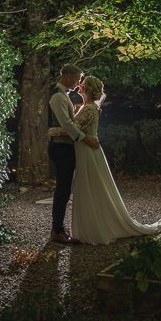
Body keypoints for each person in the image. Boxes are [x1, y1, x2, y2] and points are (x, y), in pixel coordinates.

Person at [70, 76, 161, 245]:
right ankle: (92, 225)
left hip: (88, 151)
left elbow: (72, 129)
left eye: (83, 84)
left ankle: (94, 228)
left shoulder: (89, 109)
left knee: (90, 187)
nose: (79, 85)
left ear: (88, 89)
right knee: (90, 187)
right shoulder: (87, 106)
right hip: (87, 150)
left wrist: (52, 131)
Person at [47, 64, 99, 244]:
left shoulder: (63, 96)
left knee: (65, 188)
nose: (78, 84)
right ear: (68, 76)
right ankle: (57, 230)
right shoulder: (57, 96)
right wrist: (85, 138)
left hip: (65, 147)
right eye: (77, 78)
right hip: (60, 148)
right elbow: (67, 124)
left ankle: (58, 228)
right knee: (63, 189)